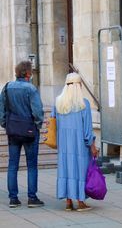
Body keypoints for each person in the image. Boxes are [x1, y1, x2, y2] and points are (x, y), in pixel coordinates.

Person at [0, 61, 45, 208]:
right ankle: (32, 198)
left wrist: (5, 124)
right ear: (27, 73)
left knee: (13, 165)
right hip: (30, 130)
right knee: (32, 165)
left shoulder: (7, 88)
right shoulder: (31, 89)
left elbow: (1, 110)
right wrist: (38, 125)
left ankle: (13, 198)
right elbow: (37, 111)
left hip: (13, 130)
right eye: (30, 72)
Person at [53, 72, 98, 211]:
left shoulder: (58, 103)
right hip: (79, 146)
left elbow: (54, 123)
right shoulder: (83, 104)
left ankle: (68, 202)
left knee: (66, 170)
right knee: (80, 171)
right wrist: (92, 146)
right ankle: (81, 202)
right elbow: (87, 131)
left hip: (64, 145)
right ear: (78, 86)